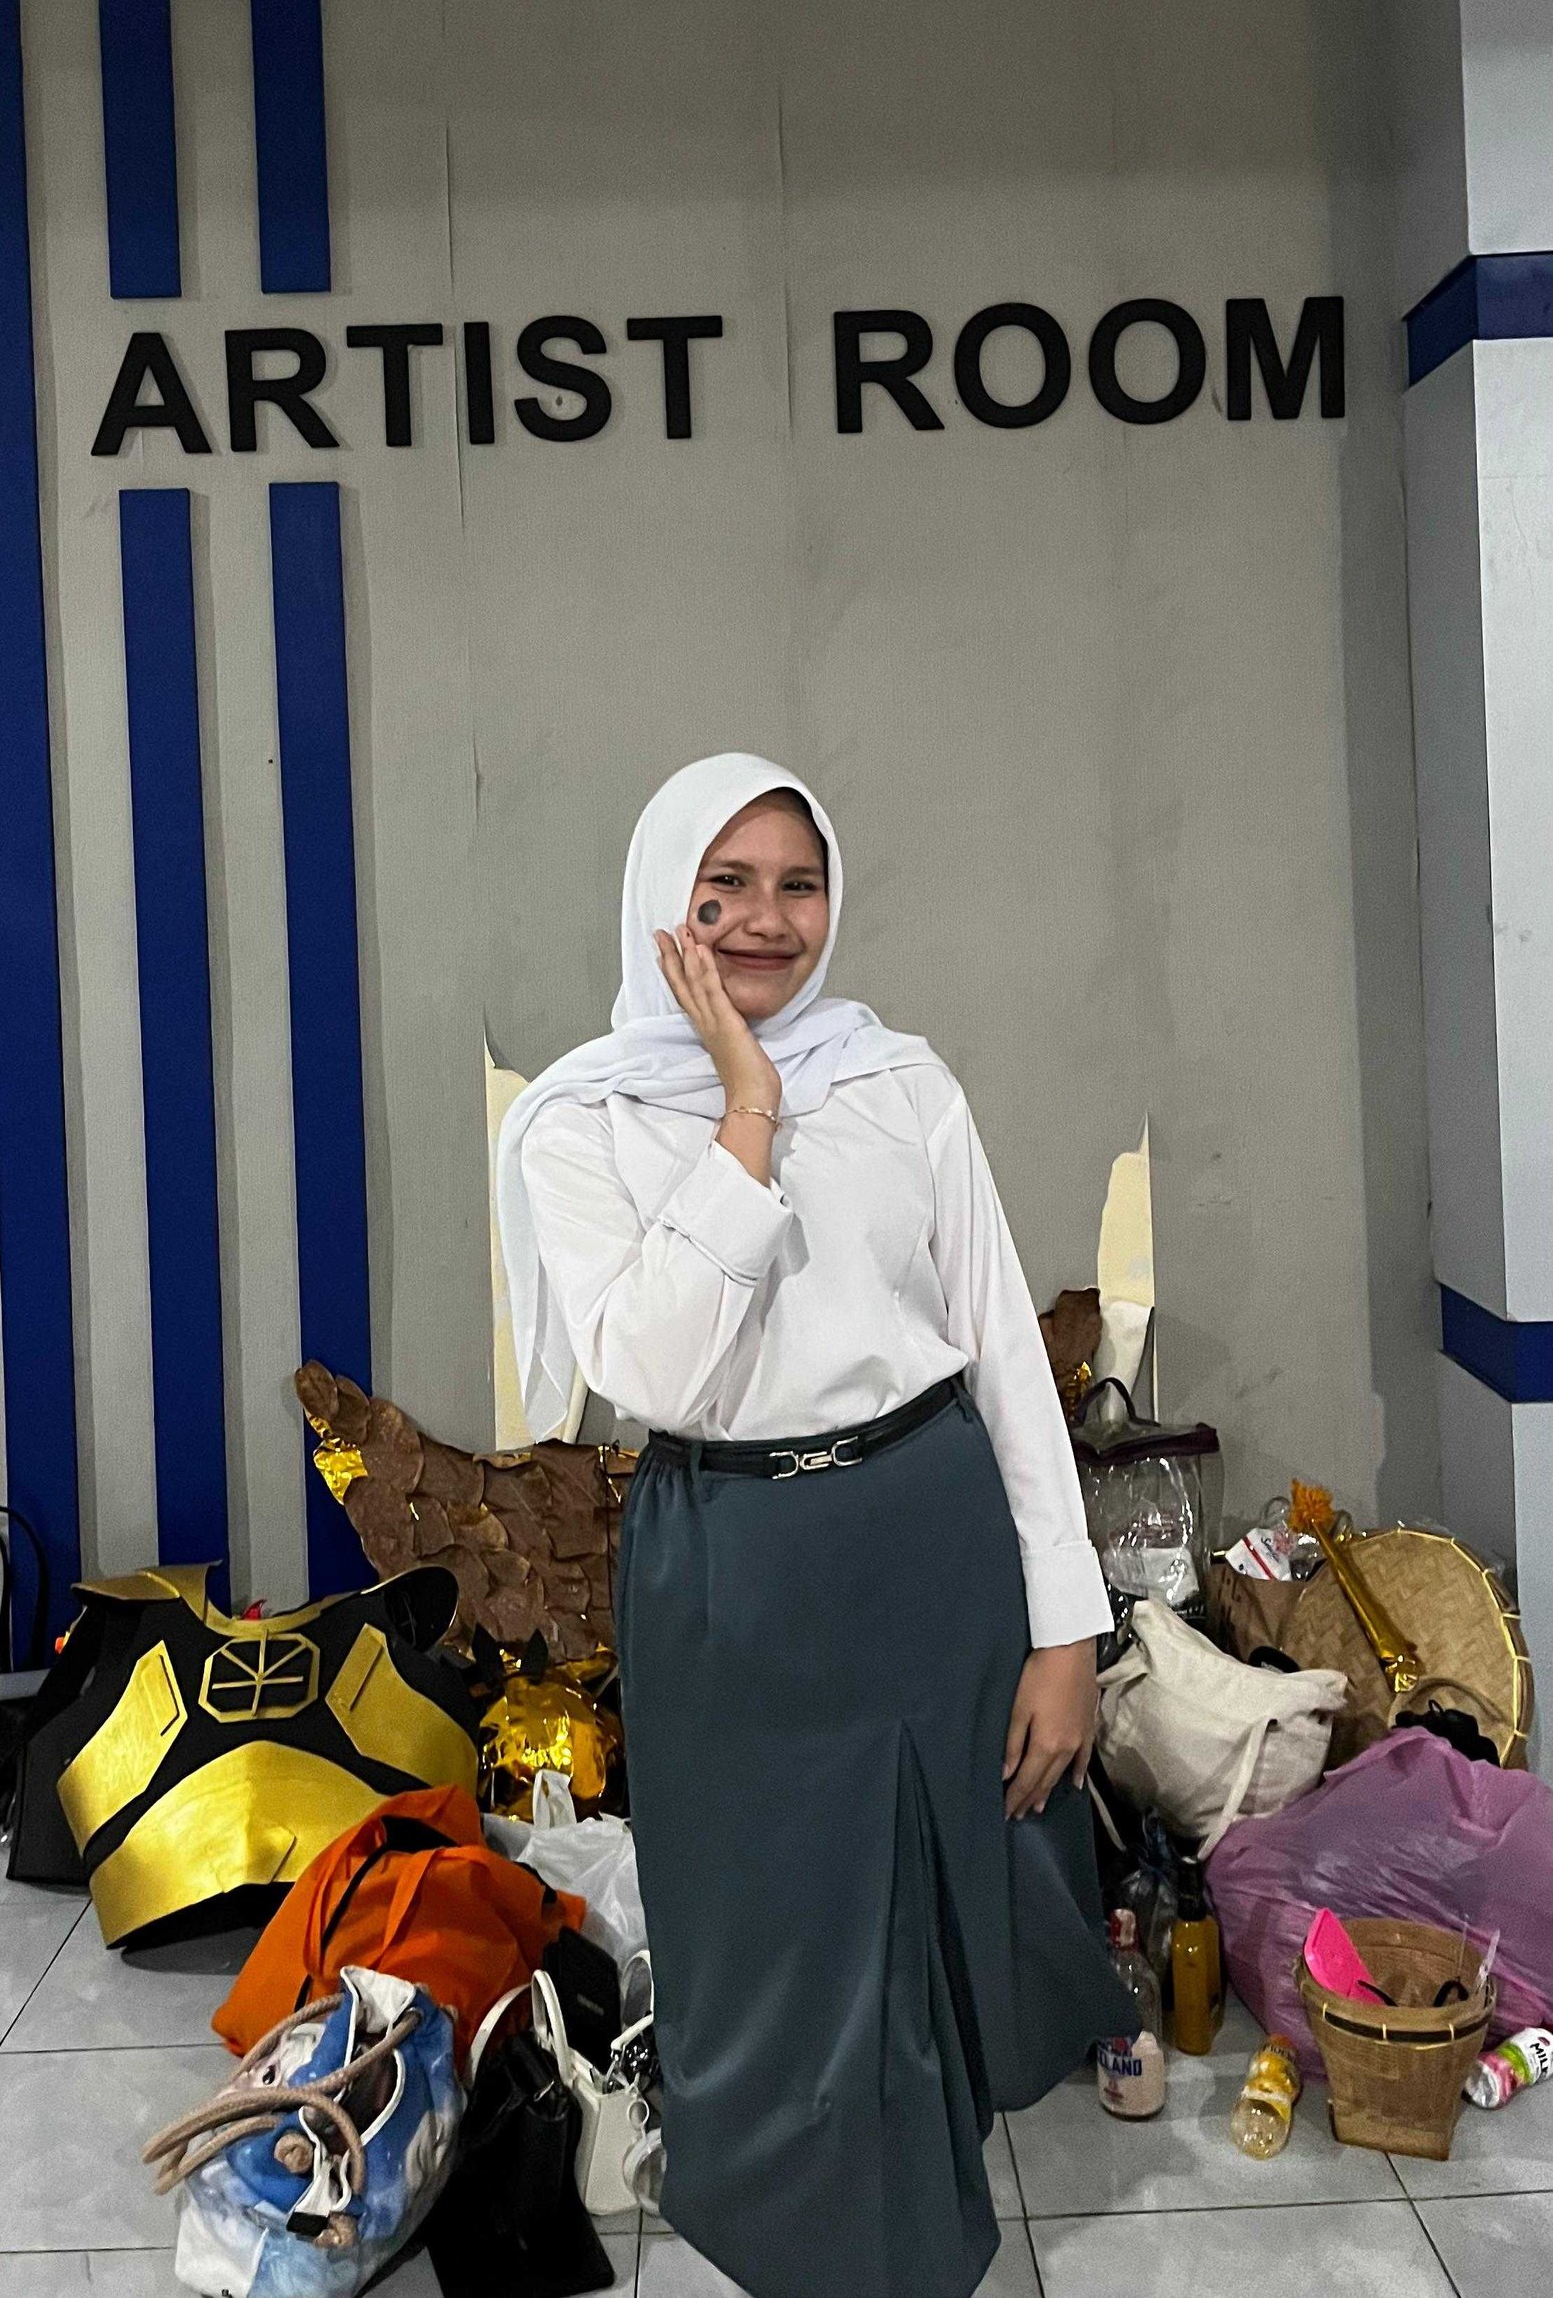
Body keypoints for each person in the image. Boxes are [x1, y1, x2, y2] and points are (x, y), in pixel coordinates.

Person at [496, 753, 1135, 2298]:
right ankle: (812, 2227)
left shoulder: (903, 1084)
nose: (768, 921)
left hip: (930, 1530)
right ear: (664, 905)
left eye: (799, 884)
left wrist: (1066, 1629)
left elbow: (1002, 1353)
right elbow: (652, 1372)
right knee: (771, 1918)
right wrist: (748, 1110)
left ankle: (926, 2181)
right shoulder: (579, 1123)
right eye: (724, 889)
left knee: (969, 1863)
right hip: (735, 1562)